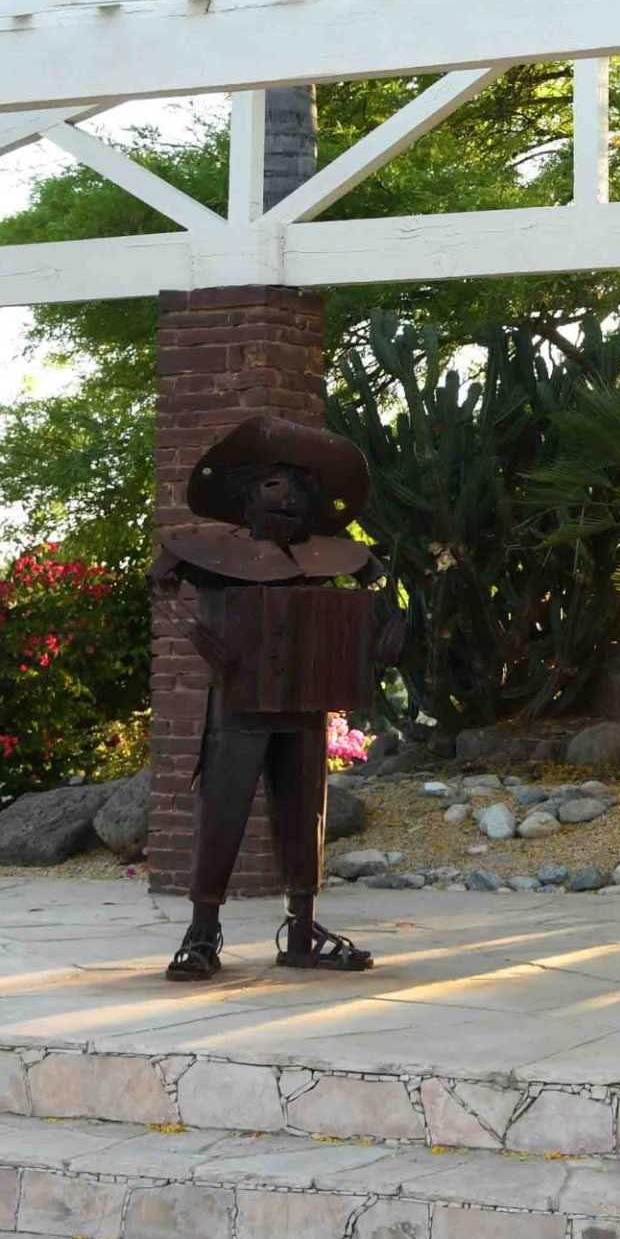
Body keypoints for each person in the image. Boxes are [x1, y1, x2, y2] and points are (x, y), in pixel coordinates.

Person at [154, 413, 403, 984]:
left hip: (306, 704)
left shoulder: (335, 555)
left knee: (305, 810)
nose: (285, 497)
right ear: (246, 496)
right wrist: (195, 633)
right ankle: (202, 931)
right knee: (222, 809)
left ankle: (302, 929)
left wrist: (391, 631)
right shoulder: (207, 552)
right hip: (238, 704)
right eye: (272, 483)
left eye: (297, 487)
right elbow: (160, 580)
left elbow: (382, 586)